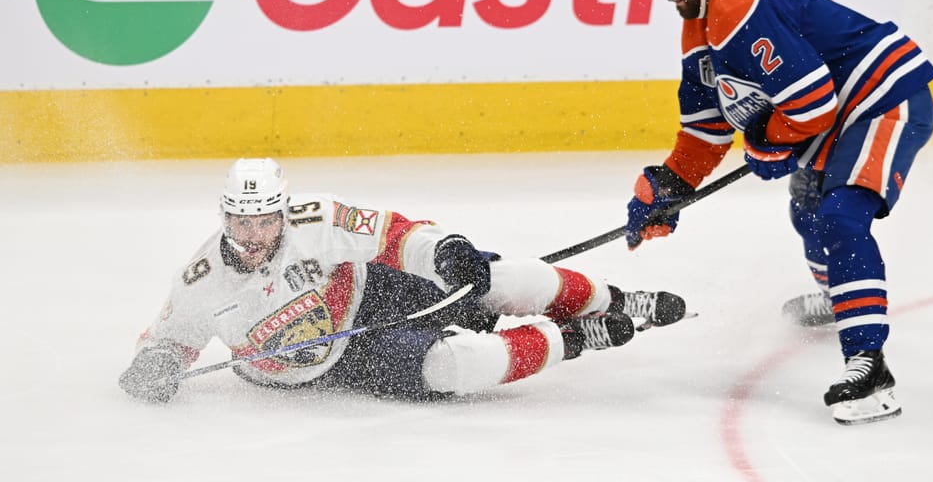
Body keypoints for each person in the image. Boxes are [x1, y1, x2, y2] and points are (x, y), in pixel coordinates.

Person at [625, 0, 933, 425]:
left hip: (882, 99)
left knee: (841, 216)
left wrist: (768, 140)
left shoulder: (739, 6)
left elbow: (812, 105)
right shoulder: (700, 26)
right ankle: (842, 294)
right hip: (838, 115)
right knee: (807, 211)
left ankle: (870, 367)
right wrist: (671, 184)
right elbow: (707, 128)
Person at [120, 158, 688, 403]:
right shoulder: (202, 281)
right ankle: (573, 339)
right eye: (241, 222)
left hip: (370, 290)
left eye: (264, 220)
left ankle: (613, 298)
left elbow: (393, 234)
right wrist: (158, 365)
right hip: (340, 361)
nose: (252, 234)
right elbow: (169, 339)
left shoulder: (314, 219)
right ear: (225, 216)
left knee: (497, 278)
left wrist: (445, 251)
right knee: (457, 367)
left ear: (282, 210)